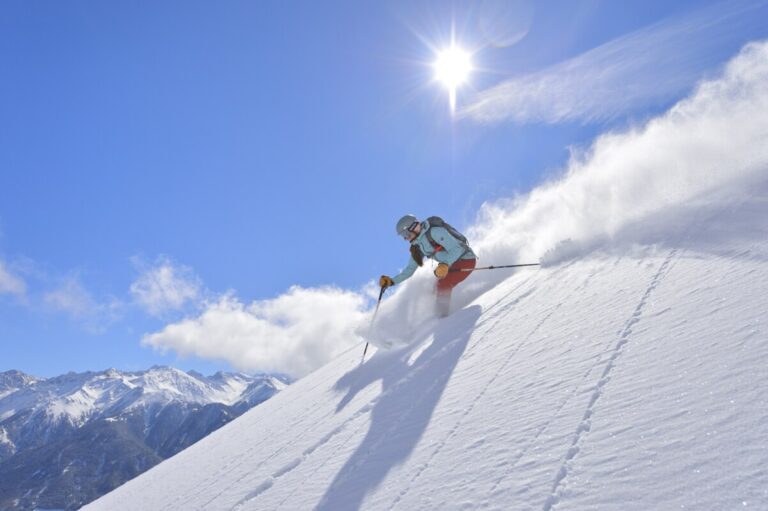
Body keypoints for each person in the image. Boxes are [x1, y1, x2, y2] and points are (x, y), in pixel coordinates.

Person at [380, 214, 477, 317]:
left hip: (466, 260)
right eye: (403, 236)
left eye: (406, 234)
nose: (405, 239)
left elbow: (458, 249)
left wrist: (444, 264)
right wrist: (392, 281)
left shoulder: (435, 232)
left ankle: (443, 319)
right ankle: (445, 311)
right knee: (435, 288)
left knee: (443, 285)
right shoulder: (417, 246)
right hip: (450, 265)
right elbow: (410, 269)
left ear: (412, 227)